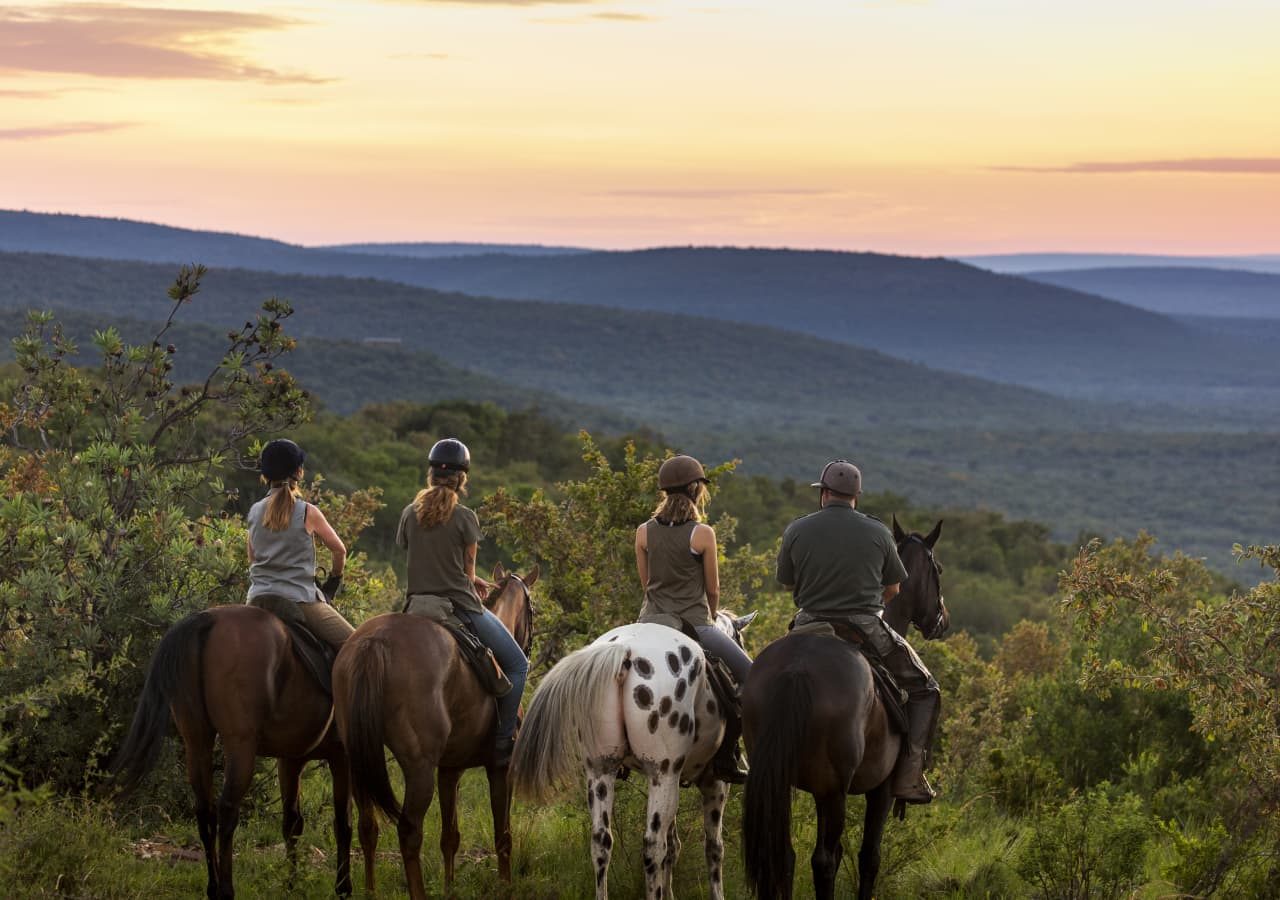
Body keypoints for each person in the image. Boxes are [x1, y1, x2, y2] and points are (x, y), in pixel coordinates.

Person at [776, 459, 940, 804]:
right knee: (926, 688)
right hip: (864, 624)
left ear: (823, 494)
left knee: (761, 676)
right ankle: (910, 776)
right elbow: (893, 590)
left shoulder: (797, 529)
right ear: (856, 497)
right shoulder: (879, 532)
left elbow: (788, 581)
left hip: (808, 623)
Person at [395, 438, 528, 767]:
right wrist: (473, 580)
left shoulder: (409, 514)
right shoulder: (465, 517)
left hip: (415, 606)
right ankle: (502, 740)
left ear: (430, 475)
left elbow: (419, 555)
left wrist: (467, 577)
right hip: (459, 606)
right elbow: (466, 571)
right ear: (462, 479)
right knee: (517, 665)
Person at [635, 454, 751, 783]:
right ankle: (730, 755)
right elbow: (712, 589)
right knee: (751, 676)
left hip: (650, 623)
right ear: (694, 489)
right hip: (695, 623)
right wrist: (710, 619)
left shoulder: (643, 532)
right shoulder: (703, 534)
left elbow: (647, 585)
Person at [246, 438, 354, 650]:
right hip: (299, 599)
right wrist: (334, 580)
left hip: (257, 597)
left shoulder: (255, 511)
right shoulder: (307, 511)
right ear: (299, 472)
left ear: (265, 475)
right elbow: (339, 550)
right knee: (357, 647)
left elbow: (252, 558)